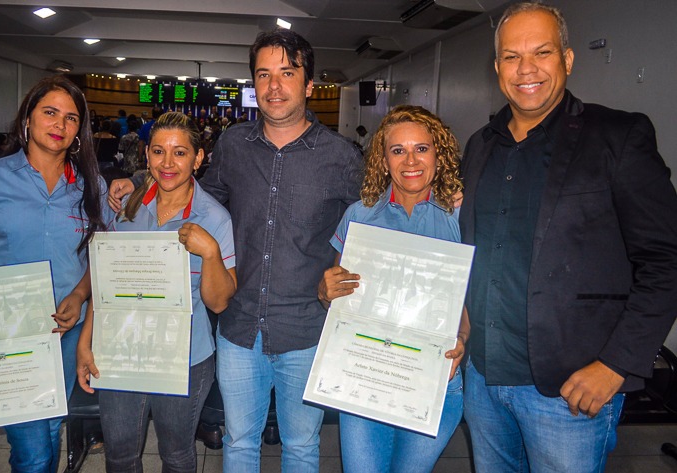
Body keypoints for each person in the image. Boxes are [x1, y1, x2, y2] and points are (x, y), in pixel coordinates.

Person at [108, 28, 362, 472]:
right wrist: (140, 181)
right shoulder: (233, 145)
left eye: (287, 73)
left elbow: (373, 219)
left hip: (306, 329)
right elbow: (195, 191)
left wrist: (442, 198)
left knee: (302, 446)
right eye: (263, 75)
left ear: (308, 83)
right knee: (239, 443)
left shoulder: (341, 157)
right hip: (239, 328)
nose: (274, 85)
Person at [459, 3, 677, 472]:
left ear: (568, 59)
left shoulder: (618, 137)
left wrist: (616, 365)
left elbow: (666, 259)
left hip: (569, 390)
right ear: (497, 67)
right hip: (483, 378)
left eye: (542, 52)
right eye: (512, 56)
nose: (526, 69)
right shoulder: (479, 146)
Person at [0, 75, 111, 473]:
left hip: (67, 330)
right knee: (35, 453)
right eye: (50, 112)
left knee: (51, 427)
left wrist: (79, 295)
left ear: (79, 130)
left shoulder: (90, 185)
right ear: (27, 118)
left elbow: (100, 255)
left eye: (71, 118)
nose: (60, 124)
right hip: (4, 331)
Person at [77, 112, 237, 472]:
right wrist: (86, 342)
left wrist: (211, 253)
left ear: (198, 158)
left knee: (177, 454)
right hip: (119, 349)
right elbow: (105, 285)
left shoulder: (215, 218)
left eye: (180, 153)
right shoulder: (126, 209)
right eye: (159, 151)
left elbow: (219, 302)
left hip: (186, 357)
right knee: (119, 454)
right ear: (146, 154)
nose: (168, 163)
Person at [318, 105, 469, 472]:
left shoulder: (460, 216)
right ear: (383, 161)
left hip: (434, 376)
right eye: (398, 150)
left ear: (438, 154)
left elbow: (467, 300)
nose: (410, 160)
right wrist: (325, 291)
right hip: (366, 374)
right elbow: (339, 297)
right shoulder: (360, 214)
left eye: (422, 148)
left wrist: (462, 338)